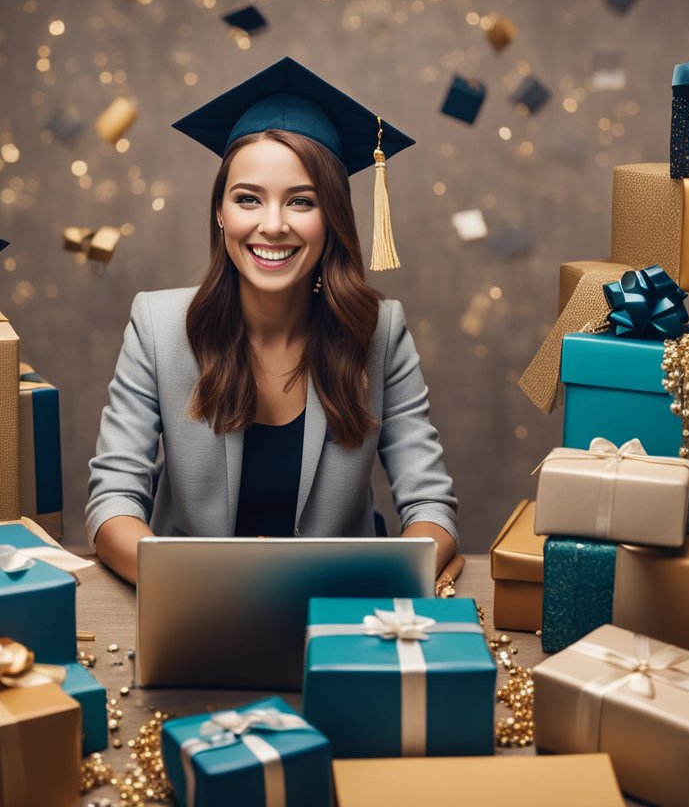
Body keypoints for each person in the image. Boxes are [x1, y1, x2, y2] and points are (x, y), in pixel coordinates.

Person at [86, 57, 457, 585]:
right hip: (194, 605)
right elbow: (113, 504)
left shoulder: (379, 332)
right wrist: (205, 584)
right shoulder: (157, 325)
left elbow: (431, 506)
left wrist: (410, 563)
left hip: (338, 605)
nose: (273, 225)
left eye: (301, 201)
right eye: (248, 199)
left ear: (332, 217)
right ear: (220, 212)